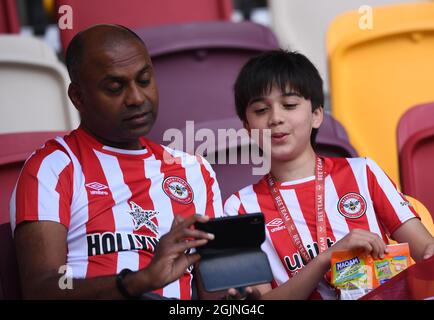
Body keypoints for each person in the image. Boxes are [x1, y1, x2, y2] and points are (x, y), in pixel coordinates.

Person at [10, 24, 223, 299]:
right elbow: (41, 290)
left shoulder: (194, 170)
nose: (136, 98)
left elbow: (213, 291)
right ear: (78, 97)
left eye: (144, 80)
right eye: (114, 88)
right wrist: (139, 281)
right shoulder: (51, 168)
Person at [224, 50, 434, 300]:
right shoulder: (239, 208)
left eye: (289, 105)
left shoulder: (363, 172)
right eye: (260, 110)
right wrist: (326, 258)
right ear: (247, 127)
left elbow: (425, 251)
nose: (276, 118)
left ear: (316, 115)